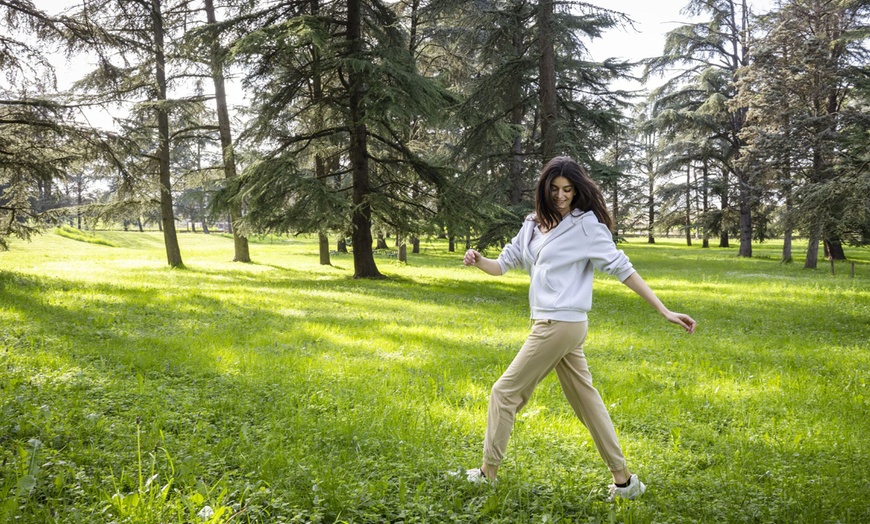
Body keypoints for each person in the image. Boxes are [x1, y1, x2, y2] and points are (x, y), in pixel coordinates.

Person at [462, 156, 696, 501]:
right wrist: (478, 260)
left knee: (505, 392)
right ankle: (625, 481)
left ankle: (487, 473)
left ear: (577, 190)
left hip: (560, 323)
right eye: (554, 189)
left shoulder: (586, 226)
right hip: (555, 323)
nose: (561, 196)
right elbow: (503, 265)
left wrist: (663, 309)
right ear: (544, 189)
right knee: (587, 403)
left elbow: (622, 268)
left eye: (568, 190)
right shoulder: (531, 224)